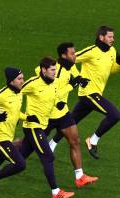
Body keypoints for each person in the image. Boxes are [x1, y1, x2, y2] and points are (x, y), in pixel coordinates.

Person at [1, 57, 84, 198]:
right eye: (52, 70)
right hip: (33, 127)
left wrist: (67, 91)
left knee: (20, 160)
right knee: (48, 157)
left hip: (43, 125)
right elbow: (14, 91)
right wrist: (22, 115)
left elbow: (55, 96)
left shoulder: (54, 83)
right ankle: (56, 192)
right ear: (43, 70)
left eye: (55, 70)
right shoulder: (32, 84)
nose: (54, 72)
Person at [50, 26, 120, 158]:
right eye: (110, 37)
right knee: (115, 115)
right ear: (101, 37)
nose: (113, 39)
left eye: (113, 37)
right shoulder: (91, 51)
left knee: (70, 122)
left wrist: (118, 64)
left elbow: (110, 71)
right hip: (89, 93)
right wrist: (77, 77)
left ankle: (51, 144)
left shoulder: (112, 51)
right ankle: (93, 140)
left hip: (96, 93)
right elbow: (69, 60)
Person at [41, 42, 98, 187]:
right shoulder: (57, 71)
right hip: (48, 115)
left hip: (63, 114)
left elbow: (76, 76)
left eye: (75, 52)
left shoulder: (70, 66)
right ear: (63, 55)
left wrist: (81, 81)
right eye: (72, 53)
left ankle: (80, 176)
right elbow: (52, 92)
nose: (75, 55)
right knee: (25, 148)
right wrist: (72, 86)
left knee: (75, 141)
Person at [0, 67, 28, 197]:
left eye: (23, 78)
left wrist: (27, 117)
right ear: (11, 81)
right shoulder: (2, 94)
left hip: (8, 136)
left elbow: (14, 112)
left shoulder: (19, 93)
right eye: (19, 79)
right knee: (20, 164)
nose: (23, 81)